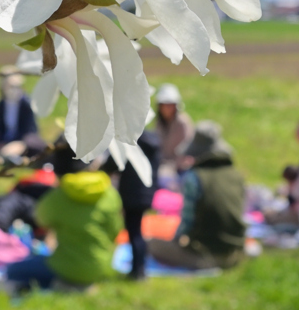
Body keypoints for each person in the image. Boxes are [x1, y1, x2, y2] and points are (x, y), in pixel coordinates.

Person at [148, 121, 245, 271]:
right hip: (235, 251)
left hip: (206, 255)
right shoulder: (235, 175)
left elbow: (186, 223)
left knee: (151, 243)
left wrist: (176, 242)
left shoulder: (195, 177)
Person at [3, 170, 123, 291]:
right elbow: (115, 230)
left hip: (64, 267)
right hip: (100, 266)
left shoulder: (60, 195)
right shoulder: (110, 194)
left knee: (13, 270)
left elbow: (40, 220)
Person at [104, 127, 161, 280]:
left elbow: (114, 162)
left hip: (131, 194)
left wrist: (100, 169)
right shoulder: (154, 141)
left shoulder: (128, 140)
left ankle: (137, 272)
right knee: (138, 231)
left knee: (134, 232)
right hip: (147, 193)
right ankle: (140, 268)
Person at [154, 83, 194, 171]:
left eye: (170, 104)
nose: (168, 108)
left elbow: (187, 149)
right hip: (163, 164)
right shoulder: (159, 123)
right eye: (165, 104)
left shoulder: (183, 123)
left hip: (181, 167)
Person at [0, 72, 40, 148]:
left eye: (18, 86)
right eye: (12, 86)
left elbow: (29, 130)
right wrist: (0, 142)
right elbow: (1, 128)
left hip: (24, 141)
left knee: (9, 151)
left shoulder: (26, 104)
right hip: (7, 140)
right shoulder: (1, 104)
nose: (15, 90)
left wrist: (14, 143)